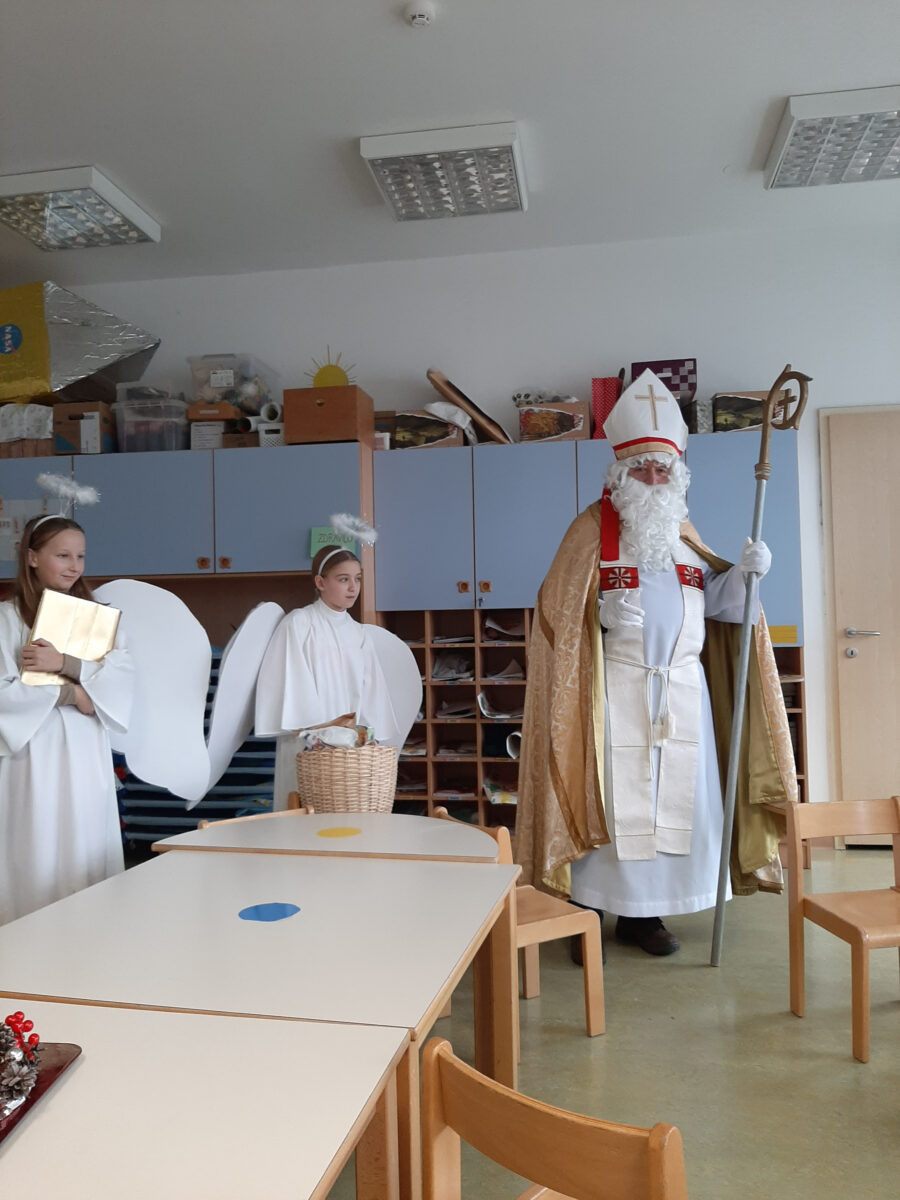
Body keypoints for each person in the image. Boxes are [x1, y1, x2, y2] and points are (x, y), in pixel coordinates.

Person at [516, 370, 795, 957]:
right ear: (619, 473)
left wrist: (746, 577)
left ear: (677, 475)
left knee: (679, 802)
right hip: (614, 693)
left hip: (684, 692)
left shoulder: (682, 534)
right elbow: (555, 612)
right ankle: (589, 908)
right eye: (640, 468)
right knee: (614, 804)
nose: (651, 478)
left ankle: (645, 918)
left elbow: (719, 608)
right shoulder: (589, 532)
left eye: (661, 469)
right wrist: (598, 612)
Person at [0, 515, 133, 925]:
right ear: (32, 557)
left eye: (80, 556)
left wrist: (65, 664)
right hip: (32, 754)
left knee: (85, 841)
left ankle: (92, 936)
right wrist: (71, 693)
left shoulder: (99, 619)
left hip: (85, 753)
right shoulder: (7, 619)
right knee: (36, 844)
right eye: (62, 555)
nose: (74, 566)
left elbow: (118, 684)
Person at [255, 544, 403, 810]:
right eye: (343, 579)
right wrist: (318, 736)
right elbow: (291, 682)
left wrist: (367, 735)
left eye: (357, 579)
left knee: (348, 815)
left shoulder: (359, 633)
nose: (353, 587)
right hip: (309, 743)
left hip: (350, 748)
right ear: (320, 582)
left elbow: (372, 691)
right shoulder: (299, 623)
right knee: (304, 812)